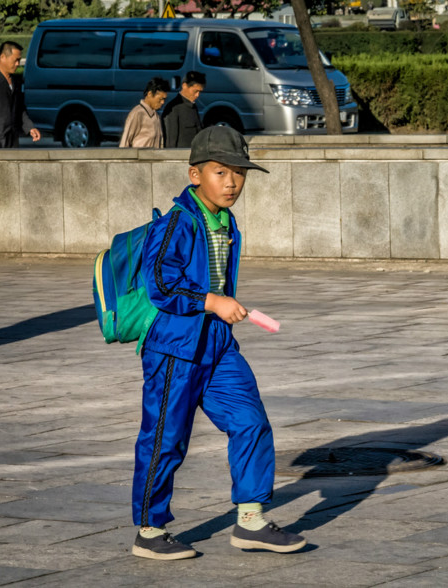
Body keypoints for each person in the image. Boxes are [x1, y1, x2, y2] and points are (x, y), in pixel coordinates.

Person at [131, 125, 307, 560]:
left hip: (217, 345)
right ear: (195, 175)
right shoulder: (177, 221)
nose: (231, 182)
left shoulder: (225, 220)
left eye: (239, 173)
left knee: (250, 421)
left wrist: (222, 307)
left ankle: (251, 520)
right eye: (220, 172)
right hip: (175, 349)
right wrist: (212, 300)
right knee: (166, 438)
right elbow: (158, 283)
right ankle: (150, 531)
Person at [119, 77, 170, 148]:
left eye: (164, 99)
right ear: (150, 94)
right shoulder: (138, 114)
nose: (162, 102)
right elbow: (124, 143)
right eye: (160, 99)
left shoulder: (156, 116)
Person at [162, 71, 205, 148]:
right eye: (195, 91)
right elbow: (170, 142)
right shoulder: (173, 108)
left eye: (200, 92)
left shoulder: (193, 106)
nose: (197, 95)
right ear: (184, 86)